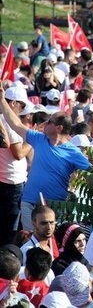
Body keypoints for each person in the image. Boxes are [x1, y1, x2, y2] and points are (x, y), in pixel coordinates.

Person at [0, 85, 30, 244]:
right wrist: (34, 140)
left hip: (8, 181)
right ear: (12, 104)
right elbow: (18, 153)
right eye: (22, 105)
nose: (23, 110)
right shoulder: (6, 121)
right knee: (10, 231)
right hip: (11, 184)